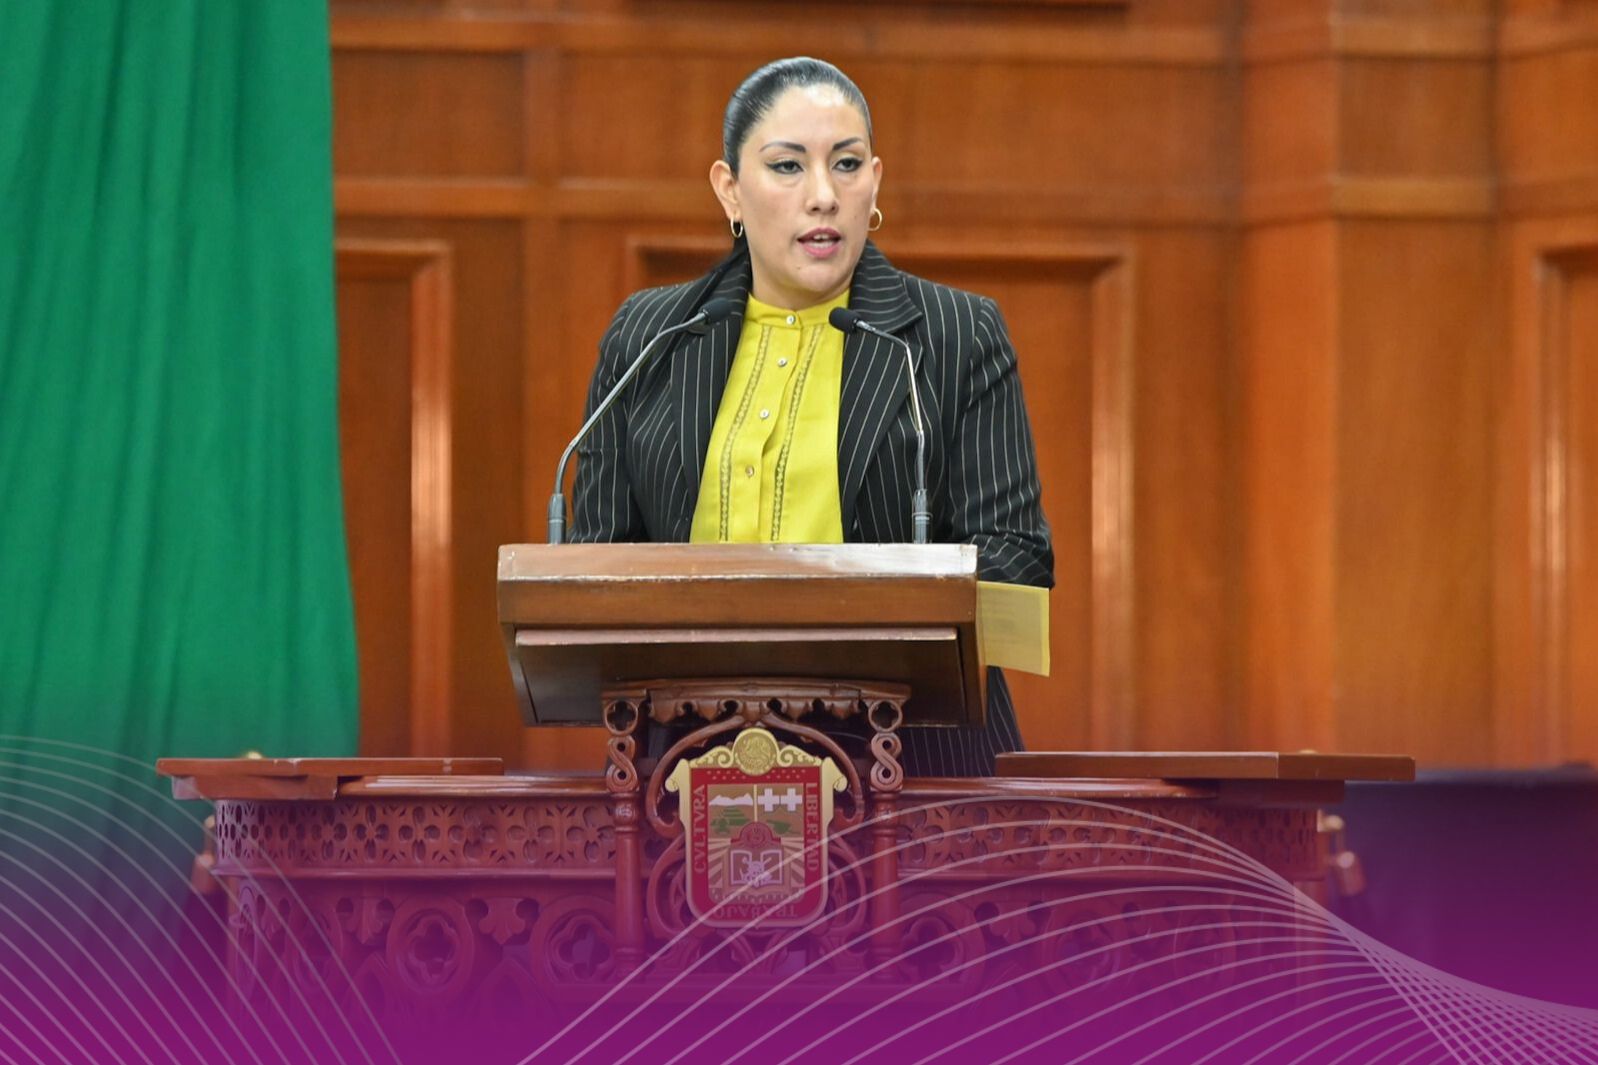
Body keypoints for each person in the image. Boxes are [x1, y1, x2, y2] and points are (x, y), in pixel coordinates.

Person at [570, 57, 1053, 776]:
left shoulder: (954, 335)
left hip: (914, 768)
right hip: (686, 768)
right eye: (788, 166)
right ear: (730, 190)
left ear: (875, 183)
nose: (823, 195)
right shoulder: (651, 337)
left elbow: (1017, 559)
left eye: (847, 164)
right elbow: (593, 568)